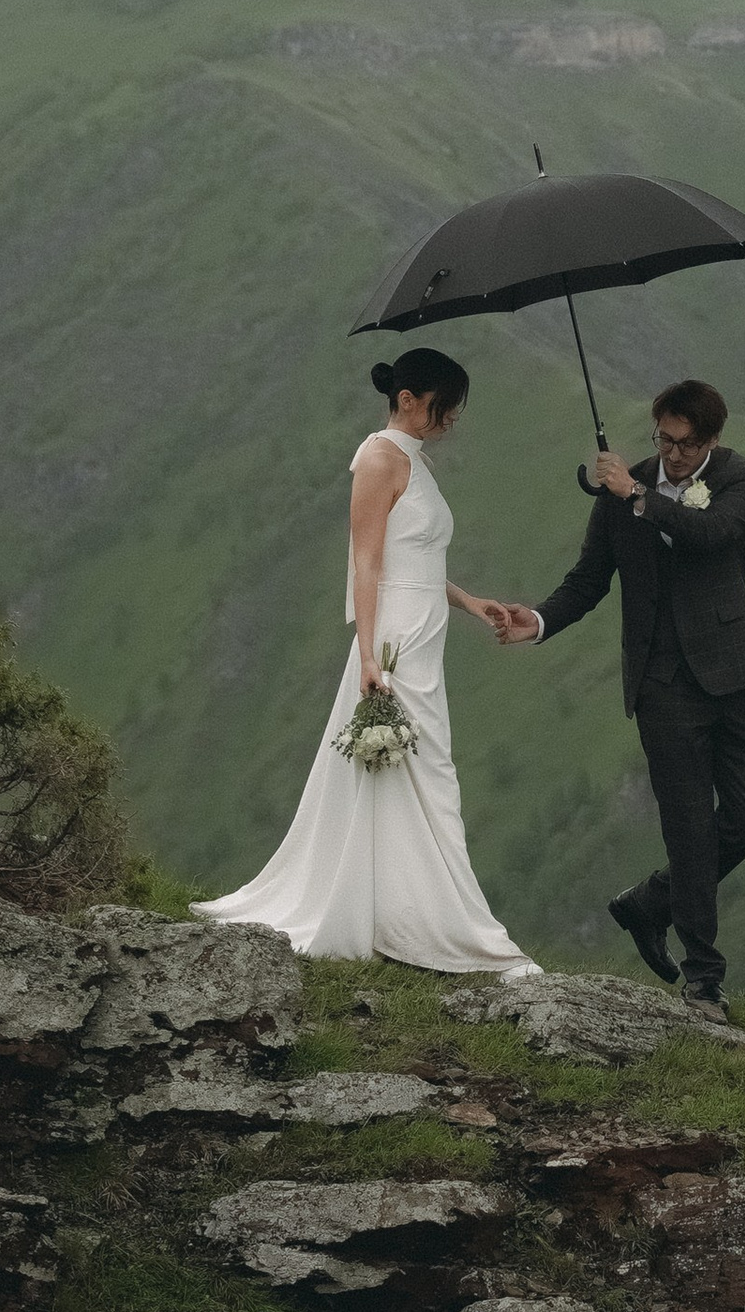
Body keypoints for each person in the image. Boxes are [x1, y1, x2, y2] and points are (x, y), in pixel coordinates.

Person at [194, 348, 538, 972]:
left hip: (424, 632)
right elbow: (368, 563)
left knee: (422, 770)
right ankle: (435, 921)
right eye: (443, 407)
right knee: (422, 771)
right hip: (395, 640)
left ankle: (408, 909)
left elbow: (417, 560)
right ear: (408, 399)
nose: (450, 420)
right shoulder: (379, 458)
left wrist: (468, 601)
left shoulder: (415, 461)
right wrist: (369, 656)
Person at [507, 377, 745, 1016]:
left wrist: (638, 496)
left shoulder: (744, 479)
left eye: (685, 446)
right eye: (664, 441)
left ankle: (651, 902)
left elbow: (711, 535)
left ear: (712, 440)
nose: (672, 455)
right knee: (688, 829)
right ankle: (704, 978)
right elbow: (588, 580)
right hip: (661, 684)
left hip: (733, 673)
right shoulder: (621, 489)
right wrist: (536, 621)